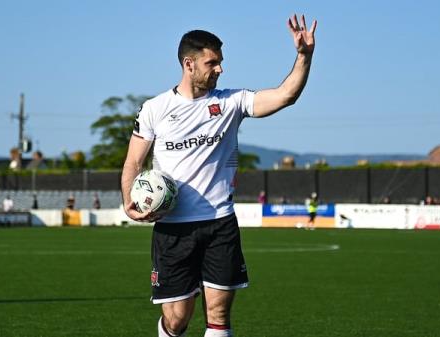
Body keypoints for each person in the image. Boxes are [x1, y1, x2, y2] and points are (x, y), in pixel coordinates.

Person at [120, 14, 317, 337]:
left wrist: (303, 56)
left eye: (221, 62)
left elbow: (285, 96)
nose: (220, 69)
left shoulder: (231, 102)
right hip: (173, 229)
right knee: (177, 319)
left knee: (218, 314)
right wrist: (129, 199)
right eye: (212, 63)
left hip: (219, 223)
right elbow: (133, 163)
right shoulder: (155, 109)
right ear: (189, 64)